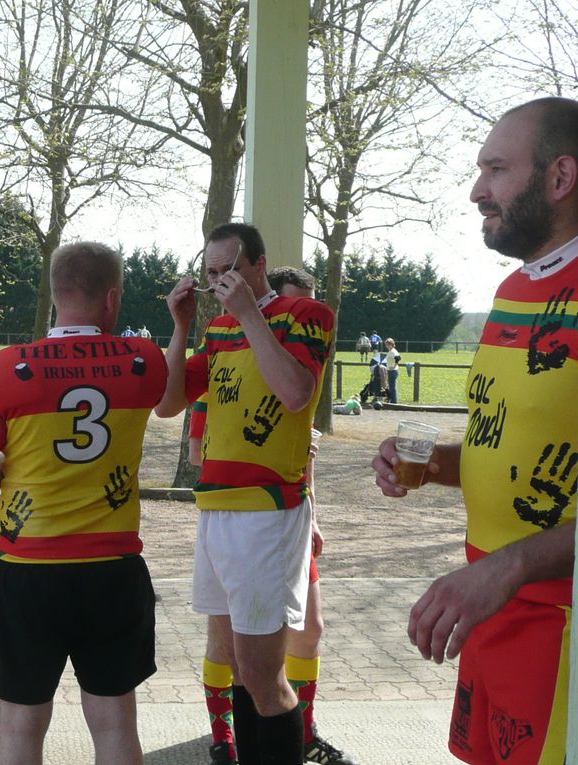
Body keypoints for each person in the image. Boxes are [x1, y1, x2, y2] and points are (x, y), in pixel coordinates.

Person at [372, 97, 578, 765]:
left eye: (495, 169)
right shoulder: (510, 291)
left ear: (559, 177)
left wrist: (517, 561)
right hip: (488, 610)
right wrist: (434, 463)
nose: (476, 191)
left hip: (560, 627)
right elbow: (517, 442)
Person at [0, 241, 168, 765]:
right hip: (112, 569)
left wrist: (4, 475)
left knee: (20, 731)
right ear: (112, 298)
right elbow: (174, 397)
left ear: (53, 294)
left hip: (27, 570)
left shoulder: (2, 368)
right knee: (116, 727)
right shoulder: (144, 361)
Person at [156, 223, 334, 765]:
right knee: (236, 663)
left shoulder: (307, 316)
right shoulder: (222, 329)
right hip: (217, 507)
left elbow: (296, 392)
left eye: (227, 271)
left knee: (262, 672)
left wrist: (253, 315)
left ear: (258, 263)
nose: (218, 284)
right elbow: (167, 403)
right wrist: (183, 327)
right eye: (210, 274)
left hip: (268, 508)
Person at [189, 265, 356, 765]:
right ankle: (225, 737)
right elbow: (196, 443)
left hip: (288, 514)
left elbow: (303, 445)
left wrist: (314, 509)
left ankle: (301, 731)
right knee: (236, 652)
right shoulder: (233, 354)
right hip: (240, 513)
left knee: (307, 631)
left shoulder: (297, 361)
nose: (302, 325)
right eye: (291, 309)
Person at [383, 337, 401, 404]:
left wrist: (394, 366)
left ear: (391, 344)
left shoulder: (393, 351)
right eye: (386, 344)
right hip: (391, 371)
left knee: (392, 387)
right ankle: (393, 400)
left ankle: (394, 401)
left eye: (387, 344)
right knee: (391, 386)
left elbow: (398, 358)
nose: (386, 346)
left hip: (392, 371)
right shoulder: (391, 351)